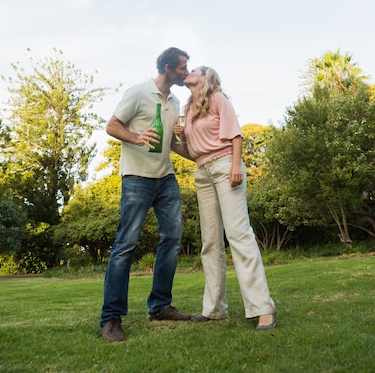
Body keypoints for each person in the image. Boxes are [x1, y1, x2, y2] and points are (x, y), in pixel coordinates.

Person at [100, 47, 192, 342]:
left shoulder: (175, 101)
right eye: (181, 68)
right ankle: (111, 318)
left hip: (165, 178)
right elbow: (111, 126)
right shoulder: (138, 93)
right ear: (167, 68)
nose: (185, 72)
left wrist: (202, 155)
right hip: (137, 178)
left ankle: (160, 306)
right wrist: (137, 137)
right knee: (125, 244)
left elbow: (172, 145)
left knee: (173, 239)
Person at [178, 66, 276, 331]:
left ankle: (263, 308)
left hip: (225, 166)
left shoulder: (218, 99)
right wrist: (175, 139)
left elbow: (235, 134)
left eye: (196, 69)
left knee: (238, 234)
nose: (189, 70)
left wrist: (235, 165)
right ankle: (214, 310)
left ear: (206, 77)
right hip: (202, 171)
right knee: (210, 241)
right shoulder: (188, 110)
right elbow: (191, 151)